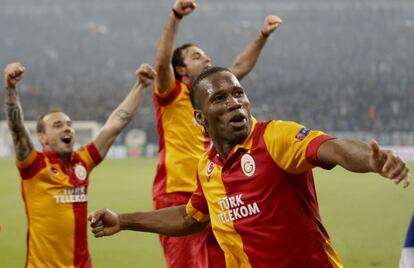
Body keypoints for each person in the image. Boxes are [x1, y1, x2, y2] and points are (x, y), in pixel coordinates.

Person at [89, 67, 410, 268]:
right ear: (200, 118)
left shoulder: (275, 137)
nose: (234, 103)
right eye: (219, 99)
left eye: (239, 94)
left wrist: (370, 159)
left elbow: (333, 148)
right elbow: (190, 218)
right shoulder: (208, 167)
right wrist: (124, 220)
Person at [152, 0, 282, 266]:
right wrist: (175, 15)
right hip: (178, 193)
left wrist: (263, 35)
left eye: (206, 55)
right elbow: (162, 61)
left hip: (214, 189)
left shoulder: (213, 98)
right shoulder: (171, 94)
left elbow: (239, 68)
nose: (207, 58)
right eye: (196, 56)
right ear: (181, 70)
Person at [3, 62, 156, 268]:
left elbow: (117, 123)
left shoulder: (82, 161)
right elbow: (17, 129)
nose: (67, 128)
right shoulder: (34, 166)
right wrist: (11, 89)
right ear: (42, 137)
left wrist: (140, 85)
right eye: (58, 125)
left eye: (69, 124)